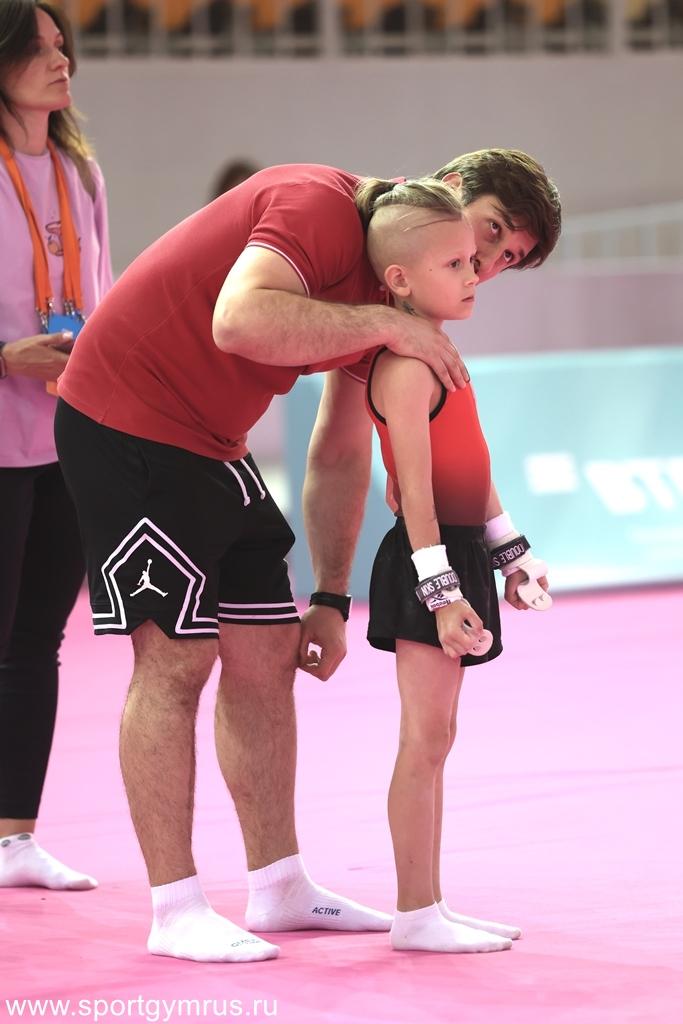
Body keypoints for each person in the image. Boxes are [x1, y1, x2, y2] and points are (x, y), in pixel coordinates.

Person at [54, 151, 560, 962]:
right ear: (448, 192)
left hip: (214, 444)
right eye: (488, 233)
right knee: (175, 662)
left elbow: (338, 449)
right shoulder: (317, 204)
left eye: (506, 258)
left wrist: (328, 593)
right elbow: (238, 320)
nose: (484, 265)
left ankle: (278, 885)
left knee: (266, 653)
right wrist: (386, 326)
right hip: (127, 421)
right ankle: (174, 906)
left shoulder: (391, 296)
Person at [361, 177, 551, 953]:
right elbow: (413, 491)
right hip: (426, 560)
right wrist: (439, 593)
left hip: (460, 551)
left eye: (474, 263)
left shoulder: (440, 355)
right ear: (400, 280)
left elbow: (472, 464)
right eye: (455, 265)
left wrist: (512, 555)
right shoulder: (406, 367)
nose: (474, 276)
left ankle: (431, 903)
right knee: (422, 738)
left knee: (438, 738)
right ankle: (414, 912)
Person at [0, 0, 112, 889]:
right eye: (39, 48)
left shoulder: (80, 172)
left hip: (65, 437)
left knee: (39, 637)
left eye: (62, 44)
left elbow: (102, 296)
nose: (61, 58)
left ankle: (14, 837)